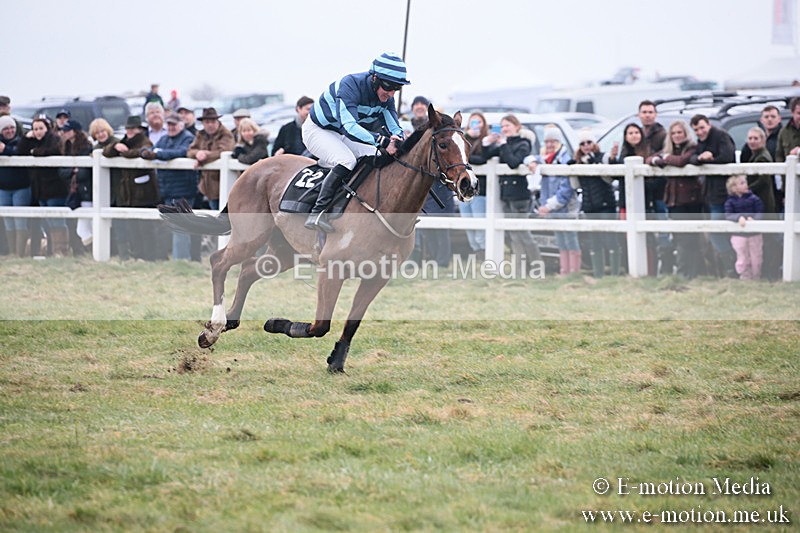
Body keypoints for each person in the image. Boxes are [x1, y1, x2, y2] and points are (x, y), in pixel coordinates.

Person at [301, 52, 409, 233]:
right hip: (318, 130)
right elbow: (350, 127)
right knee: (347, 160)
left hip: (342, 133)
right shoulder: (349, 85)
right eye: (388, 87)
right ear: (374, 78)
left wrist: (398, 138)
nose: (391, 93)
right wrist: (381, 140)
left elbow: (394, 125)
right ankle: (317, 213)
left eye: (396, 89)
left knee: (375, 154)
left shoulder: (387, 97)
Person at [483, 115, 541, 270]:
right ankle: (519, 269)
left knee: (524, 234)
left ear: (517, 126)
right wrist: (486, 143)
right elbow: (484, 157)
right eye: (502, 126)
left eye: (507, 125)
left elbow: (513, 162)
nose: (504, 129)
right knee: (514, 235)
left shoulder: (524, 143)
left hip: (519, 195)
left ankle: (537, 266)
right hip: (506, 194)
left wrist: (502, 145)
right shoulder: (504, 144)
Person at [141, 113, 198, 260]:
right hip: (168, 190)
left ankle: (181, 260)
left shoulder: (187, 137)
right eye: (169, 125)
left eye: (174, 124)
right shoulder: (164, 139)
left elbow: (181, 152)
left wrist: (157, 155)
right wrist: (145, 152)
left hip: (183, 190)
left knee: (181, 227)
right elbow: (153, 149)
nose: (171, 127)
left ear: (181, 125)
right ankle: (184, 258)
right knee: (175, 226)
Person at [102, 116, 160, 260]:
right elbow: (106, 152)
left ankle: (149, 256)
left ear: (139, 129)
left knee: (145, 227)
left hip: (144, 192)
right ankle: (137, 255)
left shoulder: (145, 141)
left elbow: (142, 152)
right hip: (128, 192)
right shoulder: (123, 142)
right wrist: (115, 147)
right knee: (132, 227)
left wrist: (124, 152)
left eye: (132, 129)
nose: (129, 131)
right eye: (128, 129)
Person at [652, 120, 704, 279]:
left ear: (685, 133)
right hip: (674, 199)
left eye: (679, 132)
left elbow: (682, 161)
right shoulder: (668, 149)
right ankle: (682, 273)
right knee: (680, 237)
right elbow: (651, 159)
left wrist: (666, 158)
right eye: (673, 133)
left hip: (691, 199)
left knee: (692, 238)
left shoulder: (693, 147)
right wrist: (660, 159)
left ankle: (691, 273)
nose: (676, 136)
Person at [689, 114, 736, 277]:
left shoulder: (721, 136)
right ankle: (729, 269)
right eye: (696, 130)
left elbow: (727, 157)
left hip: (725, 193)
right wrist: (702, 158)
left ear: (708, 124)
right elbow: (693, 158)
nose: (700, 132)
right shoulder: (702, 141)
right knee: (718, 231)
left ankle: (732, 266)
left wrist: (708, 159)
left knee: (716, 231)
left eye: (702, 128)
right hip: (710, 194)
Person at [528, 125, 580, 275]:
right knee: (561, 239)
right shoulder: (544, 159)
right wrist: (531, 162)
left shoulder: (565, 159)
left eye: (553, 141)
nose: (550, 145)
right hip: (552, 207)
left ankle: (574, 271)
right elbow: (529, 158)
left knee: (570, 238)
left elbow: (566, 190)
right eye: (547, 141)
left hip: (565, 208)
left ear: (559, 142)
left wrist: (548, 206)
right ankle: (565, 271)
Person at [570, 128, 620, 277]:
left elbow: (611, 175)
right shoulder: (578, 162)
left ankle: (615, 274)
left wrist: (610, 158)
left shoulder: (602, 157)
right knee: (594, 241)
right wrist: (573, 168)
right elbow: (575, 185)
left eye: (589, 142)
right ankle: (599, 274)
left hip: (606, 204)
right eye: (582, 143)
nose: (586, 145)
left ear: (594, 143)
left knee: (610, 239)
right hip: (589, 205)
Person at [17, 117, 68, 256]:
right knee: (48, 221)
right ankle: (52, 250)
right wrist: (26, 138)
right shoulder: (32, 141)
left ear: (47, 128)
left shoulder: (54, 139)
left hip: (55, 187)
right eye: (35, 129)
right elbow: (20, 152)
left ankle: (61, 250)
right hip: (40, 188)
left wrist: (35, 152)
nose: (38, 132)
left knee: (57, 220)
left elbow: (52, 151)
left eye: (41, 128)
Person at [187, 107, 235, 210]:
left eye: (213, 121)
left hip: (225, 184)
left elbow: (224, 151)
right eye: (207, 122)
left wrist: (204, 157)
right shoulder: (201, 134)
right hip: (208, 186)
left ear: (218, 121)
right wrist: (198, 154)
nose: (210, 125)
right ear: (203, 123)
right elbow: (190, 151)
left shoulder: (226, 134)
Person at [58, 119, 93, 253]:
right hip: (76, 191)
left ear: (75, 132)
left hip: (87, 191)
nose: (64, 133)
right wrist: (74, 170)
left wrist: (72, 171)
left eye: (67, 130)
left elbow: (84, 173)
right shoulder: (66, 148)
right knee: (83, 227)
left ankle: (97, 253)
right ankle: (94, 253)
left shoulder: (86, 147)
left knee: (84, 228)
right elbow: (61, 172)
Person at [460, 112, 489, 260]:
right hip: (464, 188)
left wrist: (465, 158)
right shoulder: (463, 140)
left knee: (479, 222)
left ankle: (484, 253)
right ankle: (476, 252)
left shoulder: (486, 141)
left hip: (481, 188)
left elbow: (482, 158)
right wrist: (467, 136)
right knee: (468, 222)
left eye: (479, 122)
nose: (476, 125)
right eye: (473, 122)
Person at [0, 115, 30, 256]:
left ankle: (20, 254)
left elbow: (18, 152)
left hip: (21, 187)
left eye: (12, 127)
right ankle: (12, 252)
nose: (10, 131)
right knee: (8, 221)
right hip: (3, 188)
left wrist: (4, 149)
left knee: (20, 221)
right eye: (5, 128)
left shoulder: (22, 141)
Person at [724, 175, 764, 280]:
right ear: (733, 188)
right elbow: (728, 215)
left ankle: (756, 276)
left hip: (754, 234)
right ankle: (745, 276)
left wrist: (754, 220)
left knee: (756, 256)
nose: (746, 185)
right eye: (741, 183)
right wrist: (738, 218)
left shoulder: (755, 199)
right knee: (742, 256)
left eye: (745, 182)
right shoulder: (730, 202)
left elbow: (760, 212)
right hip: (739, 234)